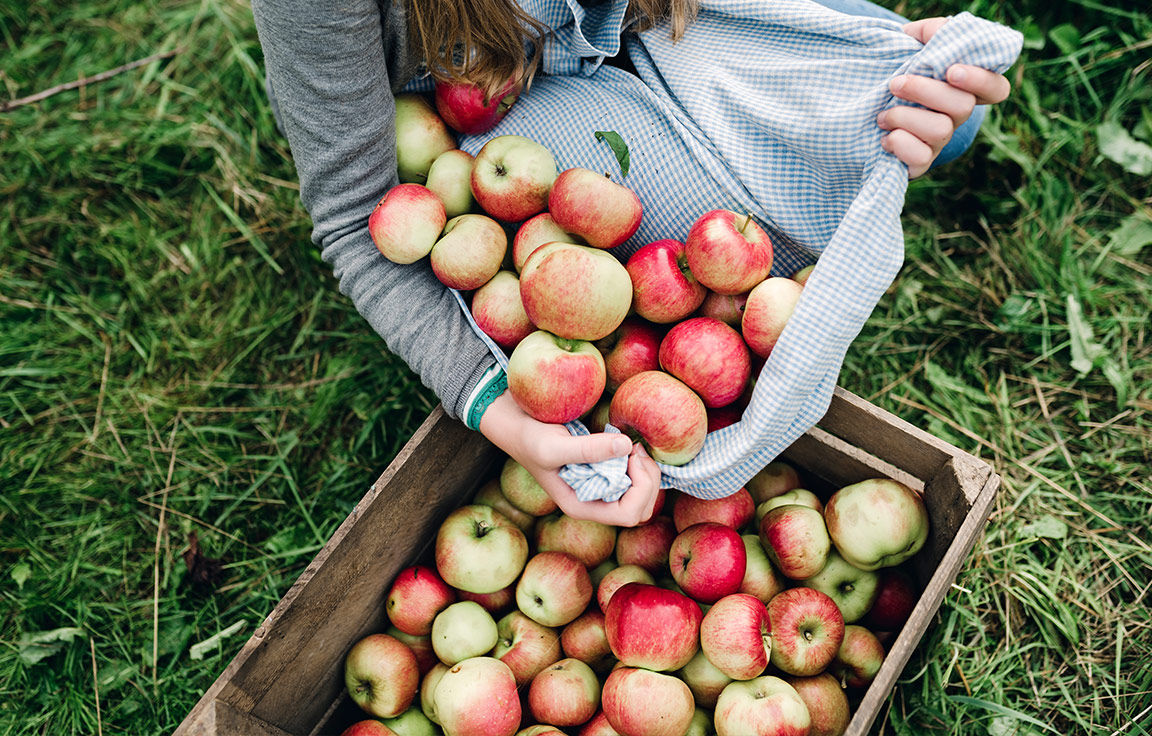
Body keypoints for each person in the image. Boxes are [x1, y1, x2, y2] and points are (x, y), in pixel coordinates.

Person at [250, 0, 1011, 527]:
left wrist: (844, 58)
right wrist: (500, 409)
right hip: (497, 118)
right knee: (679, 279)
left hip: (648, 18)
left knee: (946, 115)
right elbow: (356, 220)